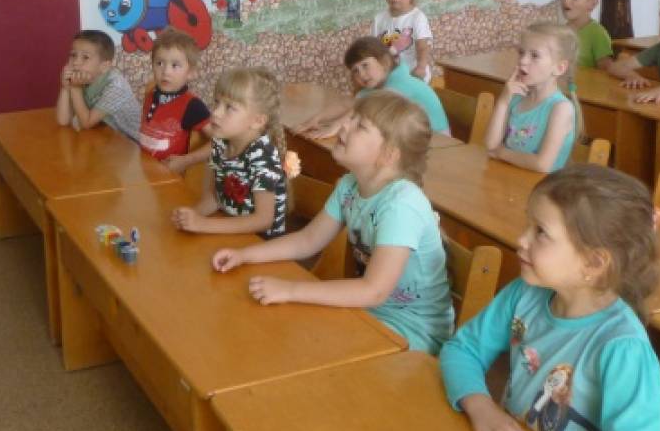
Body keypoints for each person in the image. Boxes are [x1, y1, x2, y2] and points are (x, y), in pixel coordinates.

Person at [426, 165, 660, 431]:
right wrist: (481, 407)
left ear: (594, 263)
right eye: (528, 224)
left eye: (540, 232)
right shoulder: (524, 293)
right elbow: (462, 349)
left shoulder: (624, 350)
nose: (521, 239)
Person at [213, 90, 452, 352]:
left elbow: (374, 291)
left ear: (389, 155)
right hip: (368, 311)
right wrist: (244, 255)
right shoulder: (350, 185)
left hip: (412, 331)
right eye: (352, 118)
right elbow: (308, 240)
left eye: (360, 126)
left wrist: (291, 290)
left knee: (299, 342)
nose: (345, 125)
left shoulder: (401, 205)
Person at [169, 67, 288, 237]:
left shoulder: (263, 157)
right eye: (217, 102)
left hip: (261, 244)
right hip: (230, 233)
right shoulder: (220, 143)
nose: (215, 112)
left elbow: (263, 220)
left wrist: (203, 224)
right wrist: (191, 216)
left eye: (230, 107)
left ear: (257, 121)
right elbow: (215, 198)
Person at [299, 36, 450, 137]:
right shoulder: (375, 86)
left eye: (365, 65)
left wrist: (338, 125)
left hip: (438, 141)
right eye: (355, 71)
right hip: (412, 139)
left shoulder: (401, 82)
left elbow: (367, 108)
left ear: (384, 61)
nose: (361, 74)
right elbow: (349, 104)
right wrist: (317, 118)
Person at [485, 23, 579, 172]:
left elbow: (542, 164)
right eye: (521, 52)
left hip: (542, 185)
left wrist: (501, 153)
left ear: (559, 68)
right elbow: (490, 144)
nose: (523, 60)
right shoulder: (516, 97)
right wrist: (503, 101)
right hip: (508, 178)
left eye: (534, 55)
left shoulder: (561, 109)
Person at [137, 29, 211, 174]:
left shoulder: (193, 106)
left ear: (191, 73)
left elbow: (220, 142)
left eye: (175, 65)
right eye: (159, 63)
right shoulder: (150, 94)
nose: (166, 72)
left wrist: (186, 160)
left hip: (170, 178)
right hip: (145, 171)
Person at [55, 29, 140, 139]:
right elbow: (63, 121)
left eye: (85, 57)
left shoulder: (116, 86)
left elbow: (86, 123)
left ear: (104, 66)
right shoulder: (83, 78)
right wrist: (65, 88)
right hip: (106, 136)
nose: (76, 62)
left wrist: (76, 88)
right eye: (73, 55)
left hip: (132, 143)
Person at [373, 0, 433, 81]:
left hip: (414, 76)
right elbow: (374, 50)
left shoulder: (417, 18)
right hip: (390, 77)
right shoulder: (379, 19)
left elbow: (423, 47)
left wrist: (421, 67)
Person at [559, 0, 614, 71]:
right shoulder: (560, 30)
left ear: (592, 4)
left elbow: (605, 68)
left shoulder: (598, 33)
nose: (566, 1)